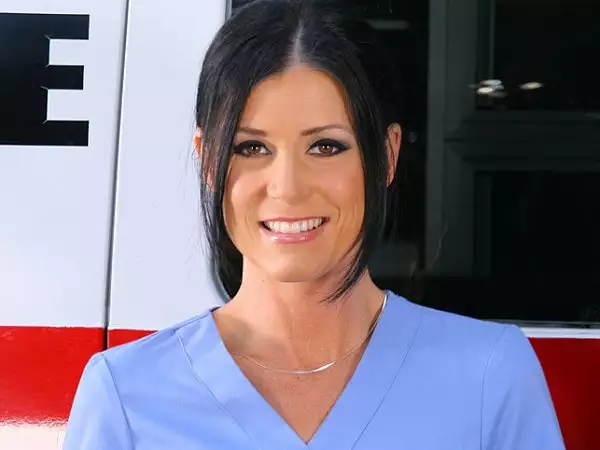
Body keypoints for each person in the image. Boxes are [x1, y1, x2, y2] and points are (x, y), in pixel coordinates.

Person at [63, 0, 565, 448]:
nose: (287, 187)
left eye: (325, 146)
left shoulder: (490, 378)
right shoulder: (126, 395)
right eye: (251, 147)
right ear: (208, 160)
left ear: (386, 155)